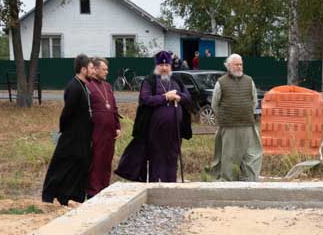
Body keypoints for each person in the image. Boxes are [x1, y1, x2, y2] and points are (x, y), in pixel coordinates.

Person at [115, 50, 194, 183]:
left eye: (167, 65)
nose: (164, 68)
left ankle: (171, 184)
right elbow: (145, 99)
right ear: (157, 66)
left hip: (175, 130)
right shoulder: (149, 81)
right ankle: (156, 185)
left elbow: (188, 98)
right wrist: (165, 97)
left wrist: (178, 97)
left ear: (170, 66)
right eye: (161, 65)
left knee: (172, 156)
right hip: (155, 130)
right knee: (157, 157)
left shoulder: (176, 80)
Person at [42, 54, 94, 205]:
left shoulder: (83, 85)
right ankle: (50, 195)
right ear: (83, 70)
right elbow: (67, 113)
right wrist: (66, 131)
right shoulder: (74, 87)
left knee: (79, 165)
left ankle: (72, 197)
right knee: (63, 165)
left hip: (83, 135)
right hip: (72, 135)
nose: (93, 71)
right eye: (91, 68)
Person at [208, 53, 262, 181]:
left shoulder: (249, 81)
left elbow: (254, 101)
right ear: (229, 66)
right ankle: (227, 184)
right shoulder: (221, 82)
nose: (239, 67)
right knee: (229, 157)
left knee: (252, 156)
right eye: (236, 64)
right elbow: (215, 104)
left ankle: (250, 182)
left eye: (241, 64)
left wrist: (244, 113)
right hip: (229, 127)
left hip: (248, 125)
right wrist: (225, 117)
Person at [85, 56, 121, 197]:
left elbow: (114, 107)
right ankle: (93, 192)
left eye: (107, 69)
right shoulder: (87, 85)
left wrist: (117, 126)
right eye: (104, 69)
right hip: (96, 131)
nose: (107, 72)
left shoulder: (107, 86)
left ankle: (104, 188)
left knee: (107, 160)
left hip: (110, 131)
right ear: (95, 69)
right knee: (96, 160)